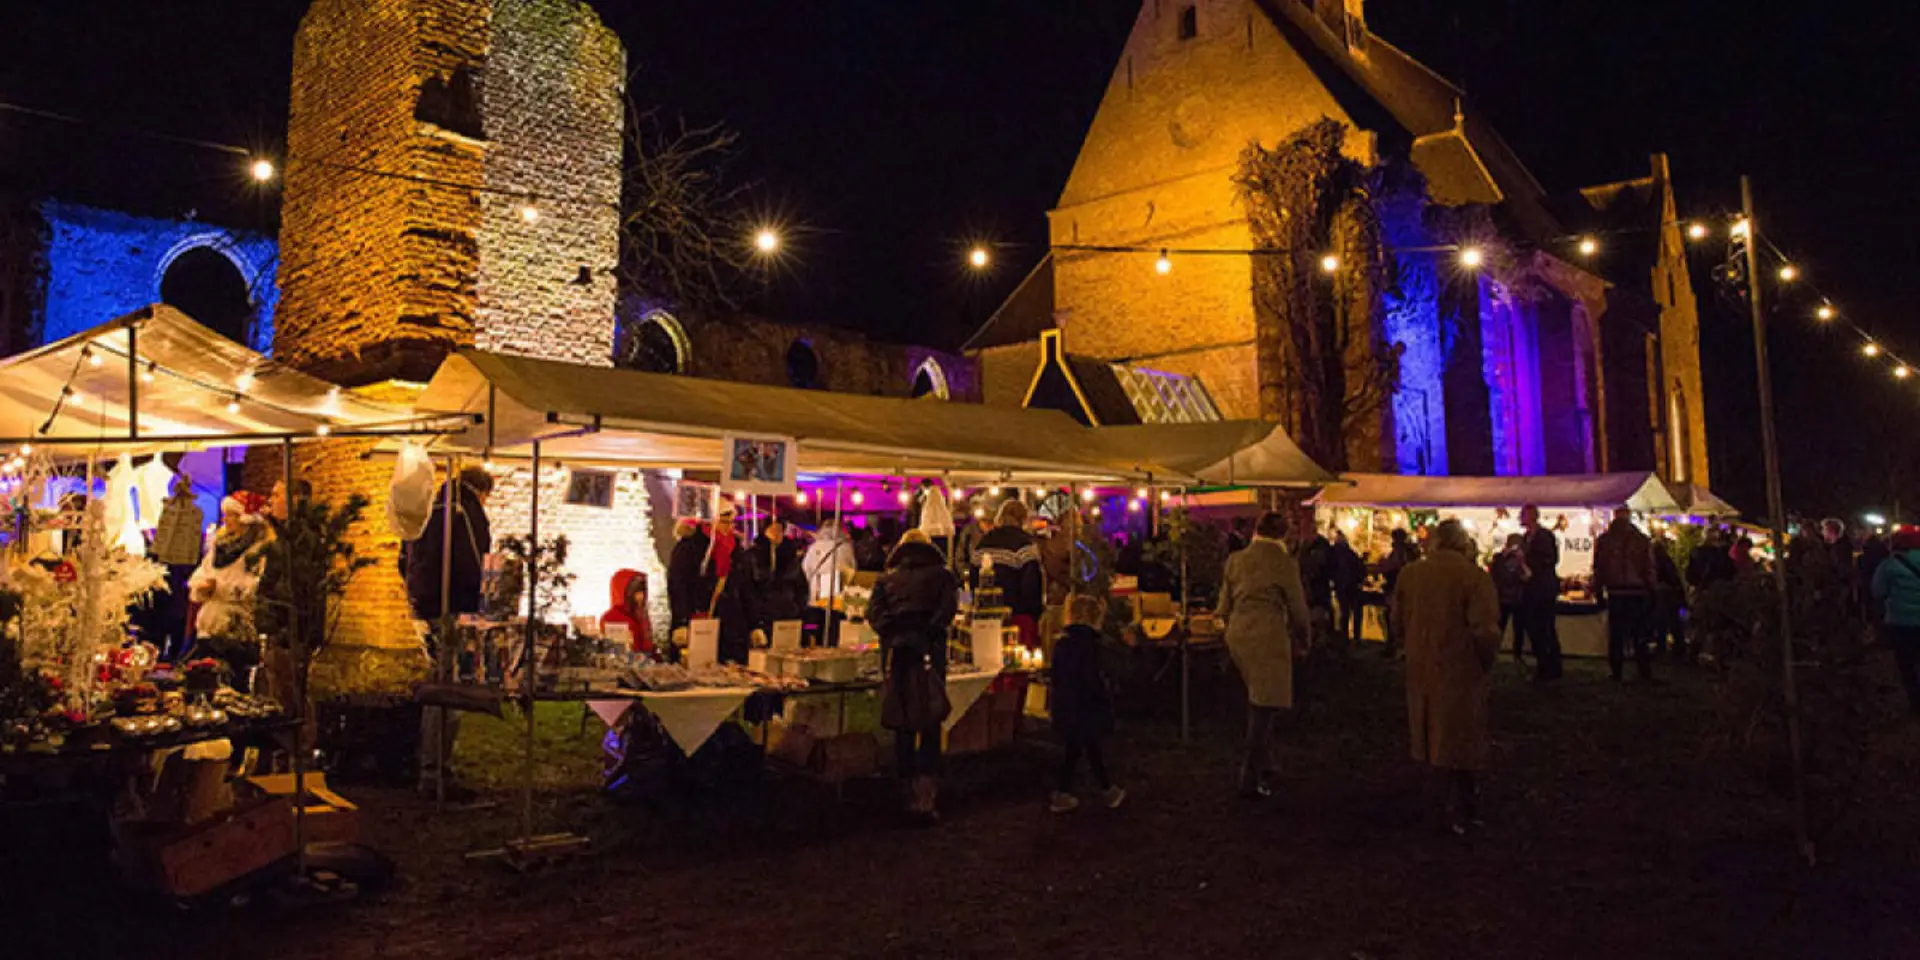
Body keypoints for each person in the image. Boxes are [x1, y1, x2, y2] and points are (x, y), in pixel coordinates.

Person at [1390, 519, 1502, 835]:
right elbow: (1485, 630)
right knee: (1460, 740)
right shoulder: (1474, 578)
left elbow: (1396, 620)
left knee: (1427, 734)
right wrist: (1485, 661)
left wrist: (1409, 645)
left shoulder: (1411, 574)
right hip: (1460, 667)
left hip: (1421, 665)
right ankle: (1462, 809)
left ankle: (1434, 805)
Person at [404, 466, 492, 794]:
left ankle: (430, 766)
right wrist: (478, 603)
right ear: (482, 491)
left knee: (437, 683)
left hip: (423, 605)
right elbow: (476, 561)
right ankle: (435, 771)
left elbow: (404, 556)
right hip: (452, 607)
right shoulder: (464, 510)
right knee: (449, 690)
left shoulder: (428, 505)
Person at [1217, 511, 1310, 800]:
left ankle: (1267, 764)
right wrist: (1305, 639)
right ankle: (1250, 776)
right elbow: (1298, 609)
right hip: (1267, 635)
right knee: (1263, 709)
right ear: (1283, 534)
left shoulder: (1236, 560)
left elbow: (1223, 606)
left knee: (1257, 701)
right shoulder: (1283, 563)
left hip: (1237, 634)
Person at [868, 529, 958, 822]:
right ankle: (925, 796)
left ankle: (904, 791)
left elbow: (874, 614)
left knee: (902, 722)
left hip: (897, 657)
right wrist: (924, 634)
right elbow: (946, 612)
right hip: (929, 655)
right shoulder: (943, 576)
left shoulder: (886, 579)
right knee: (930, 719)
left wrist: (897, 634)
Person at [1048, 593, 1125, 814]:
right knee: (1089, 749)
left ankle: (1069, 792)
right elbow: (1095, 677)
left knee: (1078, 750)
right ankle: (1105, 790)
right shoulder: (1093, 646)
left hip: (1067, 705)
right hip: (1088, 706)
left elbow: (1057, 675)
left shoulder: (1062, 644)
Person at [1593, 510, 1657, 683]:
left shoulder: (1605, 540)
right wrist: (1652, 590)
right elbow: (1648, 567)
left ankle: (1617, 672)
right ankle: (1643, 671)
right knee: (1640, 635)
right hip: (1638, 591)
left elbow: (1599, 567)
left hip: (1616, 592)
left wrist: (1598, 591)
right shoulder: (1641, 540)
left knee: (1616, 635)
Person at [972, 500, 1045, 646]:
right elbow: (1031, 585)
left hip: (986, 617)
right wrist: (1035, 614)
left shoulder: (983, 542)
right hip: (1018, 616)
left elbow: (974, 578)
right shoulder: (1025, 545)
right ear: (1023, 519)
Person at [148, 474, 204, 661]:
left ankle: (173, 653)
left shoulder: (195, 514)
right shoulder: (168, 511)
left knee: (176, 614)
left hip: (182, 569)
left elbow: (193, 542)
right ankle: (162, 651)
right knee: (164, 614)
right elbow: (161, 539)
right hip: (168, 568)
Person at [1871, 527, 1920, 716]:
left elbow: (1878, 591)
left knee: (1907, 663)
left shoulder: (1889, 565)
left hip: (1901, 621)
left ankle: (1915, 701)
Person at [1518, 505, 1563, 682]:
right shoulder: (1526, 537)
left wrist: (1528, 564)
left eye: (1523, 515)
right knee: (1536, 628)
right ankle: (1546, 664)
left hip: (1543, 589)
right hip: (1532, 588)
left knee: (1544, 628)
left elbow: (1550, 559)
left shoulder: (1543, 536)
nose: (1520, 518)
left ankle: (1550, 666)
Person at [701, 503, 750, 663]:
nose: (728, 526)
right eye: (724, 521)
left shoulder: (736, 547)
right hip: (705, 611)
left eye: (731, 522)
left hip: (732, 614)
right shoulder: (700, 545)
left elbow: (744, 585)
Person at [748, 517, 808, 632]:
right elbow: (749, 588)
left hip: (788, 615)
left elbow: (801, 586)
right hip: (763, 618)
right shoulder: (753, 556)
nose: (776, 534)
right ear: (764, 531)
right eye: (773, 530)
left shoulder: (790, 557)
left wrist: (797, 608)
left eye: (779, 530)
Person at [1488, 533, 1531, 663]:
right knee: (1501, 626)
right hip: (1504, 598)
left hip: (1517, 598)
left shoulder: (1522, 560)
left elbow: (1527, 577)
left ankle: (1517, 654)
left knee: (1518, 628)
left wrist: (1521, 562)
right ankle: (1494, 652)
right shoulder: (1499, 558)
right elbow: (1495, 576)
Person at [666, 516, 711, 635]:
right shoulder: (694, 548)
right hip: (698, 613)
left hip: (695, 612)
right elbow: (679, 585)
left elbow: (677, 585)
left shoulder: (684, 548)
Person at [802, 519, 856, 605]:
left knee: (817, 608)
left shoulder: (814, 547)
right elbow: (852, 568)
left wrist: (812, 579)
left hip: (817, 584)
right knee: (835, 608)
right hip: (838, 583)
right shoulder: (846, 547)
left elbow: (806, 567)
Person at [1297, 525, 1334, 646]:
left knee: (1318, 618)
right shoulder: (1309, 546)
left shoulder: (1317, 547)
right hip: (1316, 591)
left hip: (1317, 591)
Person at [600, 569, 653, 654]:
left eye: (643, 591)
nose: (641, 596)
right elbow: (617, 652)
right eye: (636, 592)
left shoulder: (639, 614)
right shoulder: (612, 618)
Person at [1330, 529, 1367, 648]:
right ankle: (1356, 637)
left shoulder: (1334, 554)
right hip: (1352, 586)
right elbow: (1360, 568)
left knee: (1345, 612)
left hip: (1342, 586)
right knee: (1355, 612)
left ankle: (1344, 637)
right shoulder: (1351, 554)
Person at [1652, 535, 1686, 661]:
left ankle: (1663, 647)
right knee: (1673, 622)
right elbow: (1675, 578)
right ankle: (1678, 648)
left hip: (1663, 593)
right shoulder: (1668, 561)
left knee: (1662, 622)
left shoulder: (1656, 562)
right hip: (1671, 593)